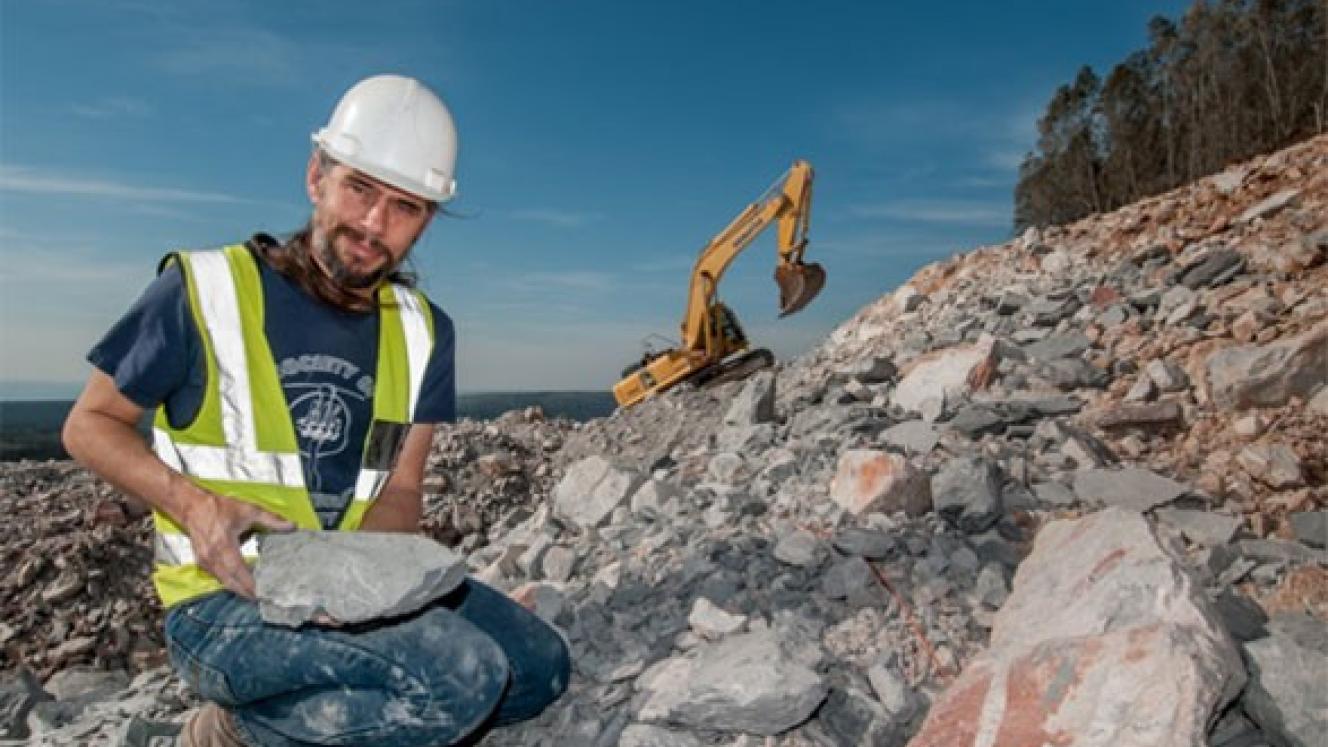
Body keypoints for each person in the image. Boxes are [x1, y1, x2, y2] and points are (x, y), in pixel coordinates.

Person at [63, 74, 570, 747]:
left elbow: (404, 487)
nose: (373, 225)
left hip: (352, 582)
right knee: (460, 677)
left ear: (427, 218)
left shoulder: (424, 333)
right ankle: (229, 734)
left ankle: (278, 722)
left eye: (405, 206)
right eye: (359, 188)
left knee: (538, 669)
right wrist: (194, 504)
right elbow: (88, 425)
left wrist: (366, 597)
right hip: (222, 600)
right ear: (317, 176)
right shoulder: (203, 290)